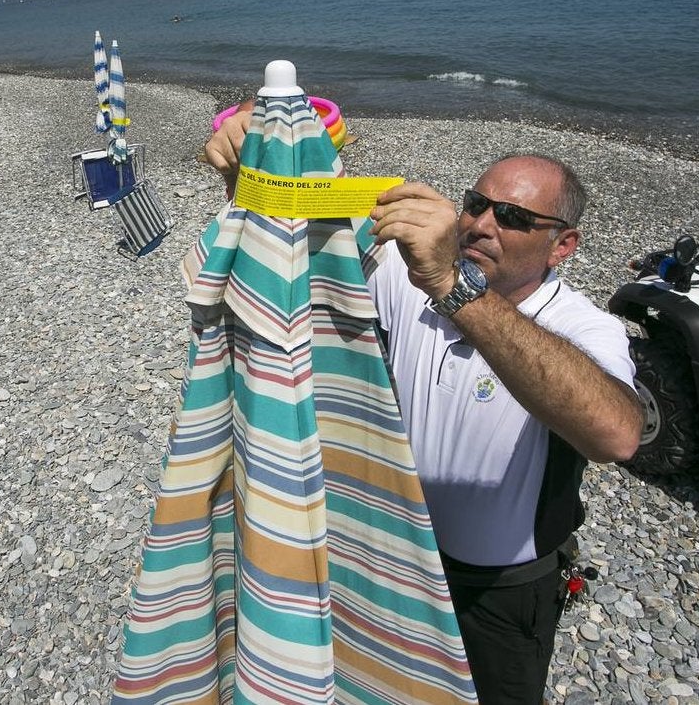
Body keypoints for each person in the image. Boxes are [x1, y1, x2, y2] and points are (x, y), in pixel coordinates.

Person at [204, 107, 643, 705]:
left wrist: (454, 289)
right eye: (476, 204)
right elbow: (296, 248)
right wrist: (258, 154)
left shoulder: (582, 327)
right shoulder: (404, 274)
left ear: (561, 245)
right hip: (391, 553)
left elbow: (617, 435)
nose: (482, 224)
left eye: (512, 217)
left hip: (499, 587)